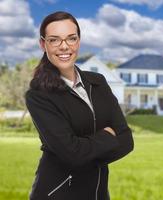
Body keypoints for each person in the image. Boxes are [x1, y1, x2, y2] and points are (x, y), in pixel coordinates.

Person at [25, 11, 134, 200]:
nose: (64, 46)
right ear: (43, 44)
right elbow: (71, 154)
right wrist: (108, 136)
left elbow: (126, 140)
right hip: (56, 193)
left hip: (98, 194)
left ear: (79, 41)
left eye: (71, 38)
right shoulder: (38, 95)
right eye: (54, 40)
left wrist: (83, 153)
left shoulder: (98, 82)